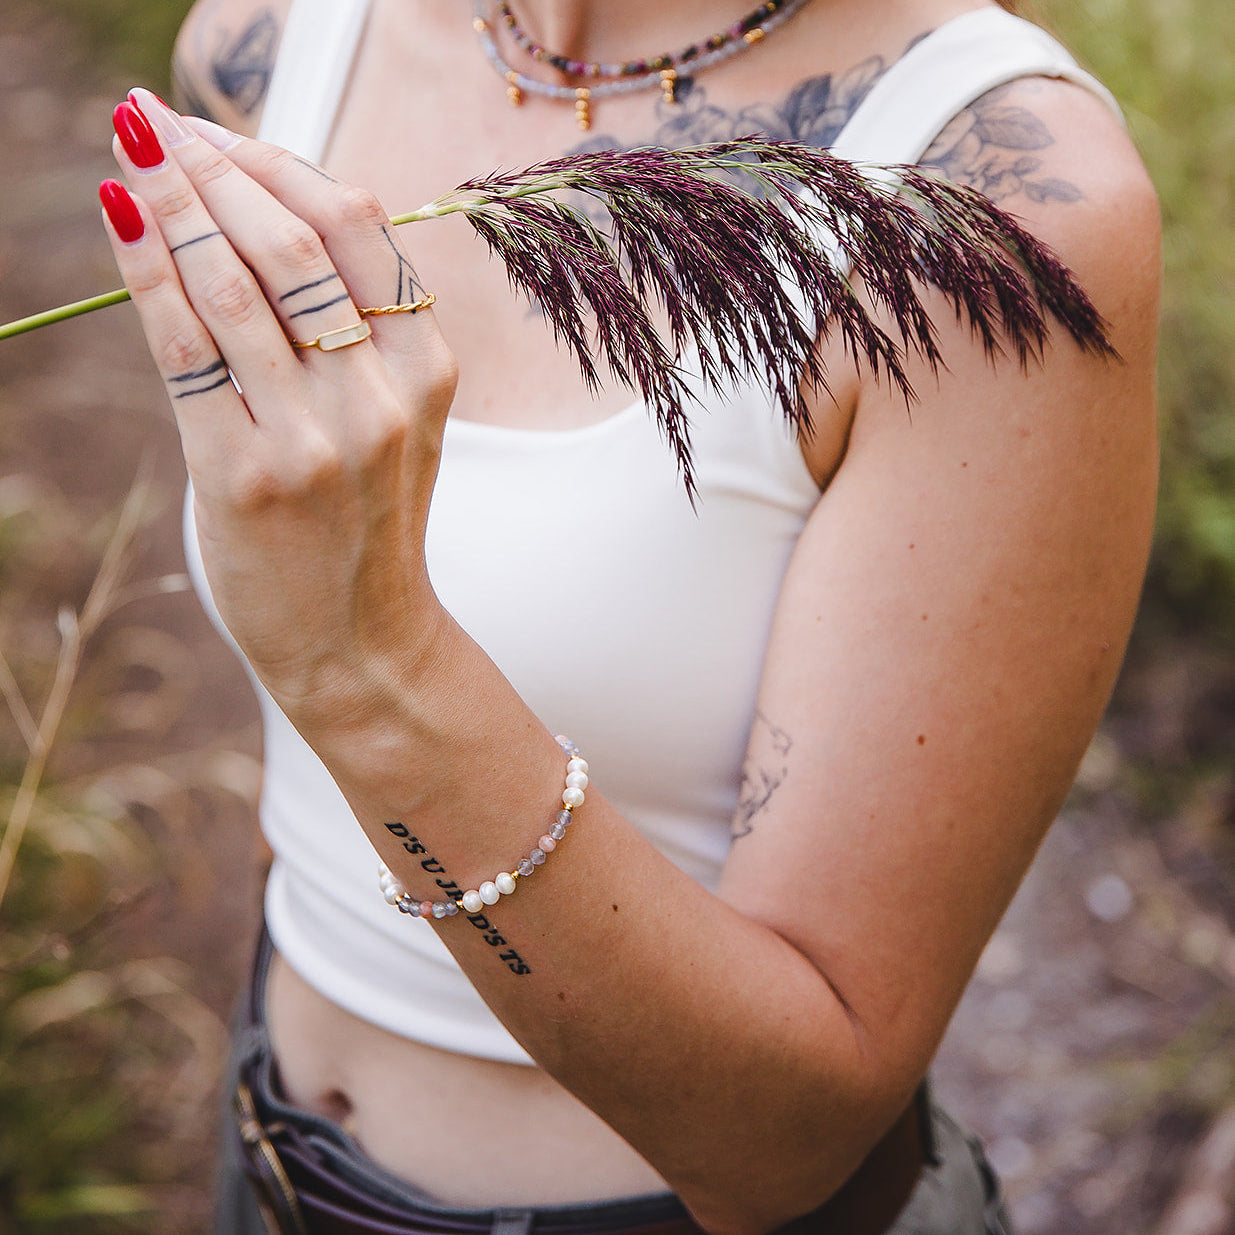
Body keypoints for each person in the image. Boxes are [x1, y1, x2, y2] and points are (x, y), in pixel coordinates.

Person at [97, 0, 1159, 1230]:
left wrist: (365, 662)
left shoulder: (990, 203)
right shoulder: (272, 37)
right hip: (263, 1152)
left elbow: (783, 1147)